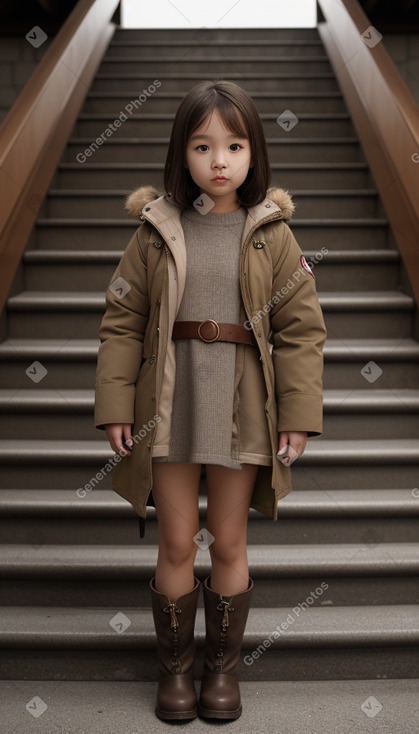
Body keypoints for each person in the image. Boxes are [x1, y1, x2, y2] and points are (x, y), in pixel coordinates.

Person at [94, 80, 326, 722]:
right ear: (181, 153)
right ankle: (174, 671)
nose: (218, 160)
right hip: (169, 402)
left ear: (254, 155)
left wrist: (300, 415)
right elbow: (122, 320)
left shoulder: (272, 235)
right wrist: (116, 403)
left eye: (234, 144)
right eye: (202, 145)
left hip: (242, 405)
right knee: (174, 543)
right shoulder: (154, 231)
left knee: (226, 541)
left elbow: (302, 330)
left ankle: (221, 672)